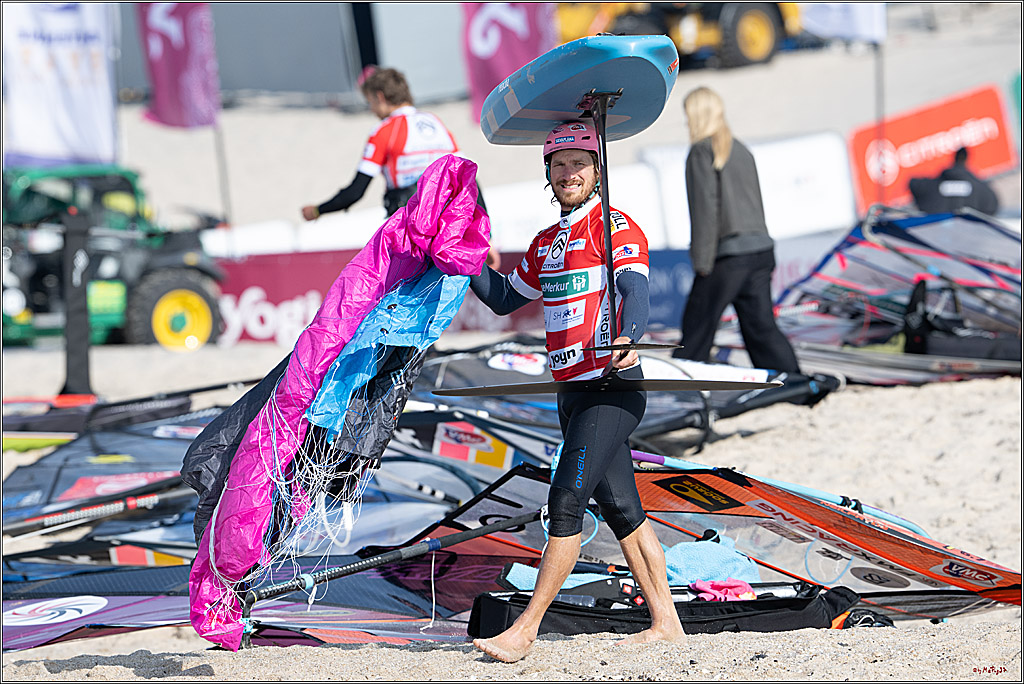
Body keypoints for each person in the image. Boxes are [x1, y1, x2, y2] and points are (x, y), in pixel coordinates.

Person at [468, 120, 687, 662]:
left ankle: (526, 630)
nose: (568, 174)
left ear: (597, 171)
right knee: (623, 512)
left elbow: (636, 287)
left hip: (613, 388)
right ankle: (667, 622)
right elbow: (500, 298)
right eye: (558, 166)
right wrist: (460, 258)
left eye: (578, 165)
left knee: (565, 501)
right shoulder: (546, 244)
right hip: (572, 394)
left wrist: (629, 335)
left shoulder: (613, 227)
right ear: (548, 175)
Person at [301, 66, 499, 267]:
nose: (371, 109)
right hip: (450, 227)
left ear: (380, 97)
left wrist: (318, 210)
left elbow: (356, 191)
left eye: (370, 102)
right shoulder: (433, 122)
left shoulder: (383, 131)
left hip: (411, 228)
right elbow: (468, 179)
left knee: (394, 293)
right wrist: (487, 237)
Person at [671, 86, 801, 375]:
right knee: (761, 327)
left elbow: (705, 210)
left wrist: (702, 263)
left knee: (698, 327)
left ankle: (682, 385)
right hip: (760, 249)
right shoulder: (741, 148)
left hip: (729, 254)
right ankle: (794, 383)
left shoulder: (701, 151)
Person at [909, 146, 1000, 216]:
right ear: (966, 159)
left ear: (955, 158)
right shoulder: (982, 190)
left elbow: (914, 184)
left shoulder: (932, 186)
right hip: (969, 235)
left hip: (936, 235)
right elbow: (991, 207)